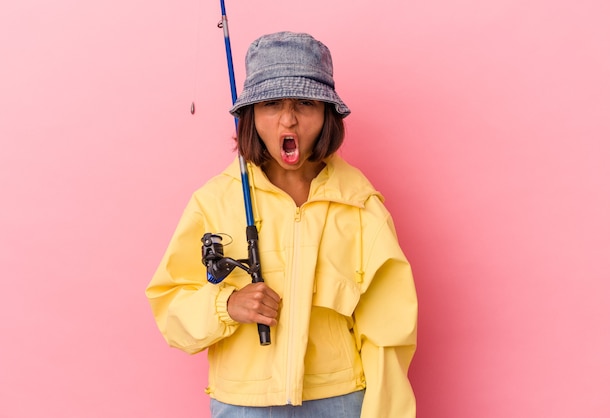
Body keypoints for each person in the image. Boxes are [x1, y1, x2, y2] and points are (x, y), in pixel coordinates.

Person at [146, 31, 418, 418]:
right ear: (251, 115)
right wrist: (227, 304)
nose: (288, 119)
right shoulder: (213, 201)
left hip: (339, 400)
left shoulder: (360, 205)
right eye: (272, 103)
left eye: (305, 103)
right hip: (243, 404)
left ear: (326, 113)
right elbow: (170, 306)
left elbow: (389, 333)